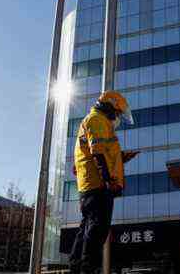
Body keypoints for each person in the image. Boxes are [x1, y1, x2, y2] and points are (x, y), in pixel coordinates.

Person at [69, 90, 138, 274]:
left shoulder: (98, 121)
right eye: (116, 113)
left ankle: (77, 266)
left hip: (92, 185)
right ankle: (86, 268)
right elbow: (97, 153)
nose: (117, 117)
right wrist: (108, 181)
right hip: (97, 186)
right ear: (109, 108)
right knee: (97, 230)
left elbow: (103, 154)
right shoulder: (97, 120)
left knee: (88, 228)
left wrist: (122, 157)